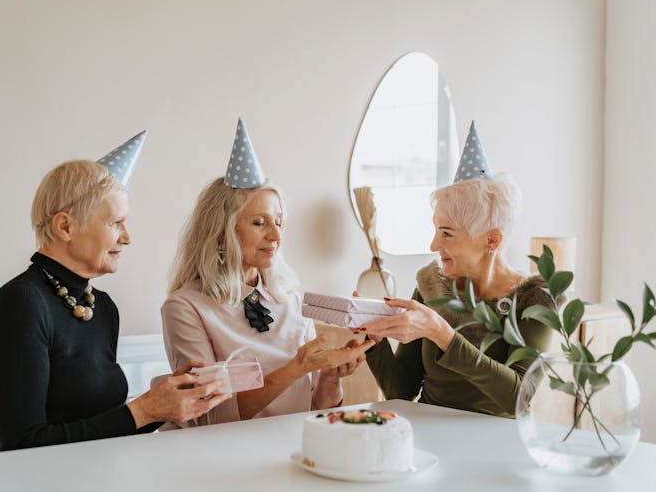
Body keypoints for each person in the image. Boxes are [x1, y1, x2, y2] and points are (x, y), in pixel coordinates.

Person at [0, 132, 230, 452]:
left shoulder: (101, 307)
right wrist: (145, 410)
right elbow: (22, 445)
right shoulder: (21, 304)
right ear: (65, 227)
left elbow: (102, 429)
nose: (127, 237)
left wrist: (166, 403)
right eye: (116, 223)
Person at [161, 118, 373, 425]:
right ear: (221, 232)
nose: (275, 236)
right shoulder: (185, 307)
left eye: (278, 222)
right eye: (259, 223)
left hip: (292, 451)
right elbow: (210, 417)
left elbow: (319, 414)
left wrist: (329, 378)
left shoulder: (290, 300)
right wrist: (297, 366)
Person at [360, 121, 555, 418]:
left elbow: (519, 396)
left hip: (494, 445)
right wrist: (374, 344)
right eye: (436, 230)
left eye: (447, 233)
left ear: (492, 239)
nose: (434, 244)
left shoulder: (535, 301)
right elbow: (401, 391)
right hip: (428, 437)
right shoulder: (431, 286)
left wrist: (444, 335)